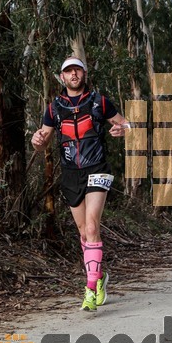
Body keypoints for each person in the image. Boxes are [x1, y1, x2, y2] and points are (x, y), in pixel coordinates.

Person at [31, 57, 130, 312]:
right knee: (84, 233)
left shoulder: (99, 101)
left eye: (77, 70)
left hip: (97, 168)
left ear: (84, 73)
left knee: (92, 224)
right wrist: (36, 141)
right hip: (70, 173)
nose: (73, 75)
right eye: (68, 71)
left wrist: (123, 129)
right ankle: (99, 277)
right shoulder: (53, 108)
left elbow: (125, 123)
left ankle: (89, 288)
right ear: (62, 77)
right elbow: (42, 140)